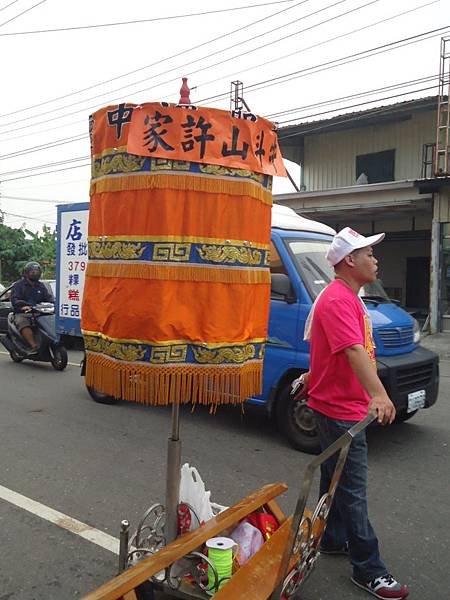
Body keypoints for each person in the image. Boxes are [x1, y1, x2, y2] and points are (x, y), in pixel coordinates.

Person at [302, 227, 409, 600]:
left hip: (336, 404)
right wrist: (378, 394)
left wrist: (309, 376)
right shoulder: (337, 300)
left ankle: (331, 538)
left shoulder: (347, 297)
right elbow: (351, 351)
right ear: (350, 260)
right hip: (341, 410)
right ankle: (369, 570)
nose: (375, 259)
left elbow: (330, 352)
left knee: (333, 477)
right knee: (352, 490)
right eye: (368, 253)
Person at [10, 262, 54, 352]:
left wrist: (55, 304)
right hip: (23, 313)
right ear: (26, 273)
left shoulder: (41, 286)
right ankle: (33, 345)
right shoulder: (18, 285)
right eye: (32, 271)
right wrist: (23, 306)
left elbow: (49, 298)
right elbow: (14, 299)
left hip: (39, 313)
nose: (35, 273)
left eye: (37, 271)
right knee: (22, 322)